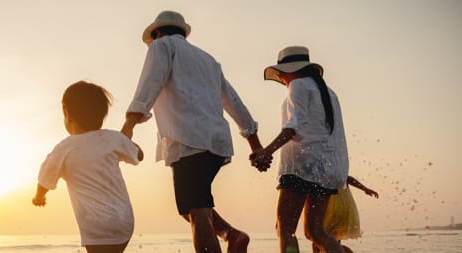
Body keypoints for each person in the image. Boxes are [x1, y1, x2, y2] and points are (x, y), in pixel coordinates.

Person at [120, 10, 263, 253]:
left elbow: (149, 84)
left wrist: (128, 126)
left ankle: (231, 236)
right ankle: (232, 235)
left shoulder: (161, 46)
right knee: (191, 205)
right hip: (216, 142)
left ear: (158, 33)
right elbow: (233, 101)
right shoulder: (208, 60)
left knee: (195, 210)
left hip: (188, 139)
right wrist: (255, 144)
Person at [250, 46, 349, 253]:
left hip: (301, 167)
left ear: (289, 70)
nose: (281, 79)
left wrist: (267, 150)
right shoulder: (329, 93)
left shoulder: (298, 85)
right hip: (327, 170)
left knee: (285, 229)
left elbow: (294, 127)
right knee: (315, 231)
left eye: (280, 74)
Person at [32, 81, 144, 253]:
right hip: (124, 222)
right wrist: (125, 143)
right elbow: (139, 155)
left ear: (66, 113)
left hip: (96, 226)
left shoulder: (64, 148)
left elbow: (45, 177)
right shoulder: (113, 138)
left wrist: (39, 196)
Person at [310, 176, 379, 253]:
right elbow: (349, 179)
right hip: (345, 206)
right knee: (332, 240)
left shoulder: (325, 170)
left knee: (317, 235)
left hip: (331, 206)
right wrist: (365, 189)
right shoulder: (339, 169)